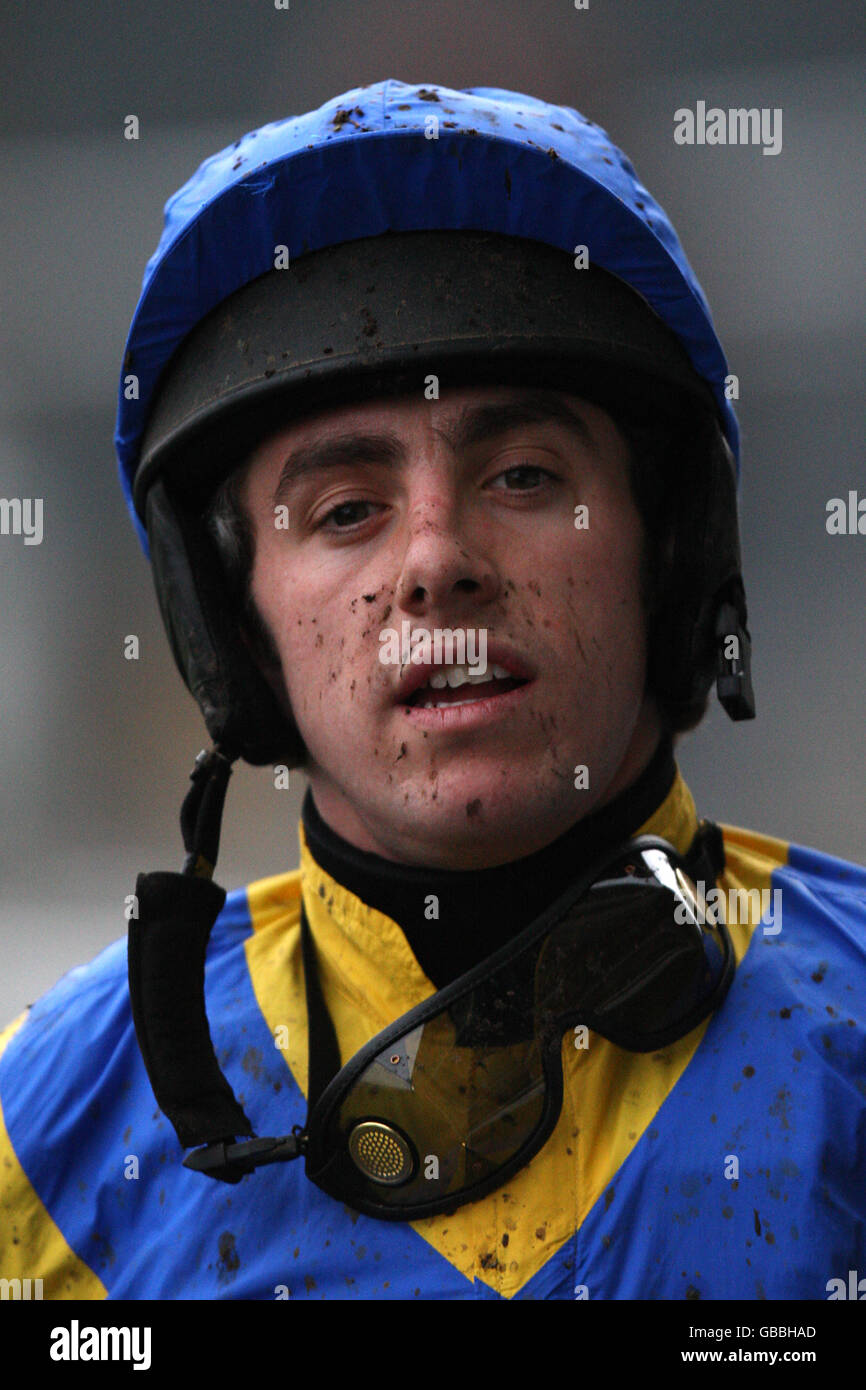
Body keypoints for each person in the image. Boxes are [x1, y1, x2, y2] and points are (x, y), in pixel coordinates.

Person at [1, 79, 863, 1303]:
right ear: (231, 629)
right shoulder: (42, 1149)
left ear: (665, 557)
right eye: (346, 509)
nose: (432, 560)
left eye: (520, 475)